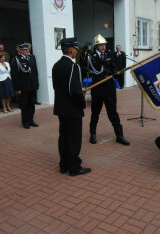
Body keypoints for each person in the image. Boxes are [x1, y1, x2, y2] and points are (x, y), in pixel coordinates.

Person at [52, 37, 91, 176]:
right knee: (74, 139)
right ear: (72, 50)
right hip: (72, 109)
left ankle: (64, 165)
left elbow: (57, 87)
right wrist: (82, 103)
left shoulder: (56, 65)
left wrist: (76, 90)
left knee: (64, 137)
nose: (77, 51)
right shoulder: (74, 66)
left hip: (61, 108)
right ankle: (74, 167)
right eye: (76, 49)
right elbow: (74, 90)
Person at [87, 34, 129, 145]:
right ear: (96, 46)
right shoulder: (91, 57)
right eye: (101, 45)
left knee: (113, 113)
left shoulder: (110, 53)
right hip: (98, 88)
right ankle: (93, 134)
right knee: (95, 112)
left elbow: (114, 65)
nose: (103, 47)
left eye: (104, 45)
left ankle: (119, 135)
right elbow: (98, 68)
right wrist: (109, 70)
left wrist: (115, 71)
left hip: (109, 89)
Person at [11, 42, 39, 129]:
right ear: (21, 50)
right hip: (23, 87)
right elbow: (15, 75)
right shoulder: (16, 59)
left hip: (32, 85)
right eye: (25, 49)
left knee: (32, 104)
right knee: (24, 105)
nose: (27, 50)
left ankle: (31, 120)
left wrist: (36, 84)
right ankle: (25, 122)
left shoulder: (32, 57)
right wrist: (17, 88)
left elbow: (35, 72)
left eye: (28, 49)